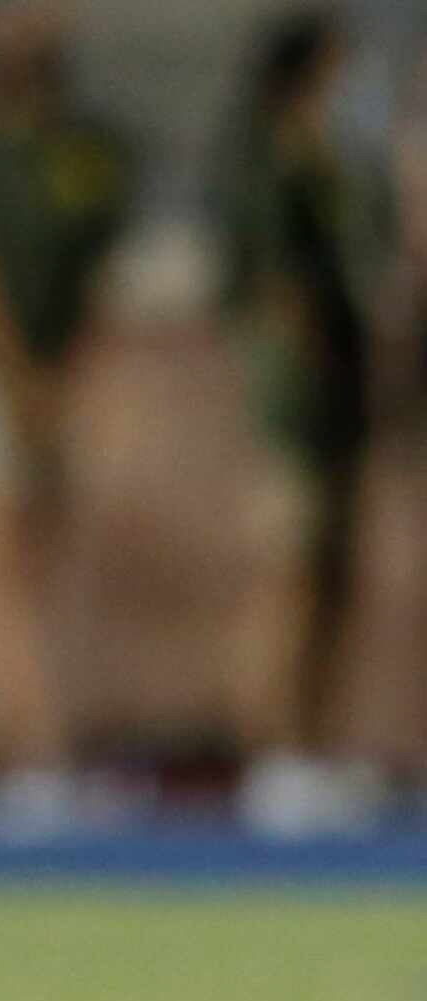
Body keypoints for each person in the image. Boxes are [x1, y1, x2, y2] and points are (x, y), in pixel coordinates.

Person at [0, 0, 131, 830]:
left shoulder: (87, 147)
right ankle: (28, 754)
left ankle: (36, 736)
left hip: (58, 372)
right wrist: (20, 386)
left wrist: (68, 382)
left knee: (44, 561)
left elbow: (94, 276)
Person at [216, 12, 392, 833]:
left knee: (333, 576)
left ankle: (315, 746)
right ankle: (272, 750)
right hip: (294, 402)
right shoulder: (268, 166)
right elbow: (269, 288)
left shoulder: (338, 169)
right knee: (287, 571)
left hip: (346, 398)